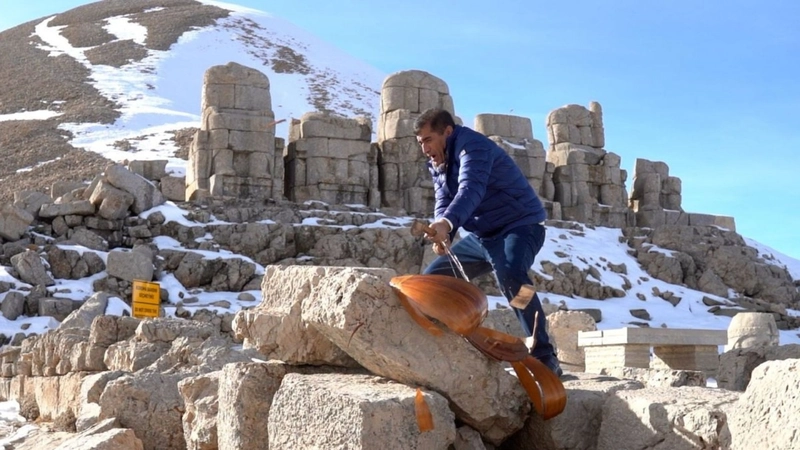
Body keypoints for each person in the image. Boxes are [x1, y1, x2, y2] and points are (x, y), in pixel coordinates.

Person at [414, 108, 562, 376]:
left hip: (521, 225)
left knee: (513, 276)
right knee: (433, 283)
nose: (425, 148)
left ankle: (544, 354)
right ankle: (450, 355)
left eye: (428, 140)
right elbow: (443, 199)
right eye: (420, 143)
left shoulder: (473, 147)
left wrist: (447, 224)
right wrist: (442, 228)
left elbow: (471, 188)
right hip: (483, 236)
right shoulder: (438, 160)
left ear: (447, 132)